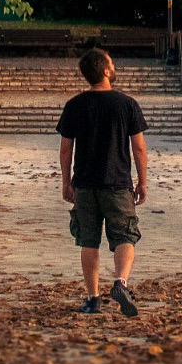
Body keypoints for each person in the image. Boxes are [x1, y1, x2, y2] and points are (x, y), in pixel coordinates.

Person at [57, 47, 149, 317]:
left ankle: (92, 299)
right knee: (125, 236)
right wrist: (142, 182)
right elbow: (139, 148)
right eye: (112, 62)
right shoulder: (127, 104)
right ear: (106, 71)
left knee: (89, 240)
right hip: (118, 184)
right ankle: (120, 282)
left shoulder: (75, 105)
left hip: (85, 184)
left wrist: (66, 182)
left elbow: (65, 149)